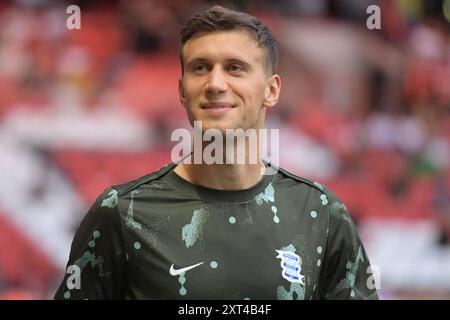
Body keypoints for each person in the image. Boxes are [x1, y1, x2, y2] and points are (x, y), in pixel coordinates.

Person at [54, 5, 378, 300]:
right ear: (182, 90)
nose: (215, 83)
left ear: (271, 90)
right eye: (200, 68)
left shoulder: (321, 214)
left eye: (235, 68)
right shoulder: (122, 214)